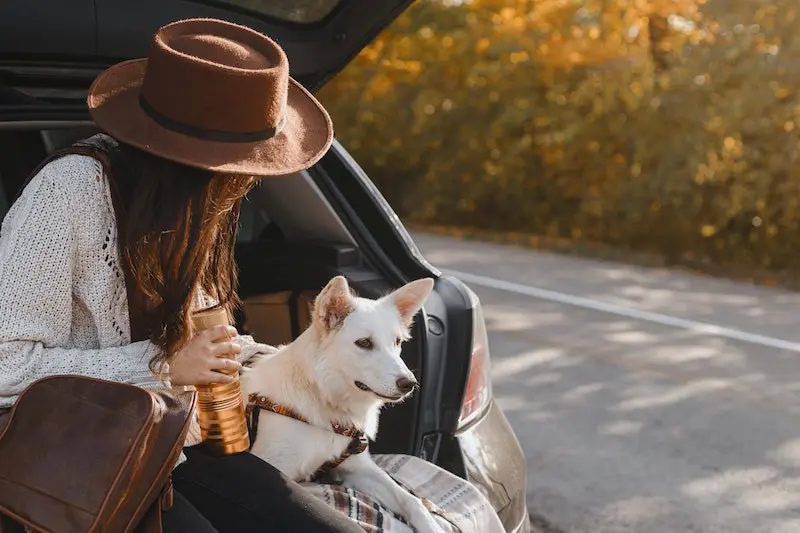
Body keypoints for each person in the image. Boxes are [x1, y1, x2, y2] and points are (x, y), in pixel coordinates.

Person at [0, 17, 362, 533]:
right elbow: (4, 365)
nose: (252, 177)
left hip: (167, 447)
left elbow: (189, 340)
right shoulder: (68, 192)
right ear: (198, 161)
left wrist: (258, 359)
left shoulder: (190, 205)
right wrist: (163, 365)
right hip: (67, 460)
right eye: (246, 162)